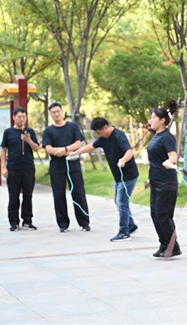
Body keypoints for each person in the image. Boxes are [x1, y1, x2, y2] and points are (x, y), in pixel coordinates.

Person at [68, 117, 139, 242]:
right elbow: (91, 146)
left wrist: (123, 160)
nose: (98, 135)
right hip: (118, 177)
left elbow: (129, 151)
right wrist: (76, 153)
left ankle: (124, 232)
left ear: (106, 127)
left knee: (121, 202)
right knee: (119, 202)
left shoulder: (119, 136)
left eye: (99, 132)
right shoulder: (103, 138)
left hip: (128, 175)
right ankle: (131, 225)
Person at [42, 103, 90, 232]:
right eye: (53, 112)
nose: (56, 114)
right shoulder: (48, 131)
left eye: (58, 111)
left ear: (62, 112)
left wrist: (64, 150)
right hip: (57, 168)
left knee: (79, 194)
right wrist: (65, 152)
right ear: (51, 114)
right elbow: (48, 149)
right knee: (58, 196)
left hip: (73, 166)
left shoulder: (72, 127)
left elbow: (77, 143)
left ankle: (84, 222)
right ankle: (63, 224)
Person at [147, 102, 181, 258]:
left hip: (166, 182)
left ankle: (173, 246)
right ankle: (164, 244)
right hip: (155, 181)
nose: (150, 120)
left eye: (153, 117)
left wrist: (170, 162)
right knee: (155, 214)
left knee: (163, 214)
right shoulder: (156, 136)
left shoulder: (167, 136)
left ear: (162, 120)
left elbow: (173, 155)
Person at [1, 107, 40, 231]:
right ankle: (14, 222)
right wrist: (3, 168)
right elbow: (3, 150)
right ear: (14, 117)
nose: (22, 119)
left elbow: (37, 148)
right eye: (19, 117)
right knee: (13, 196)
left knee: (28, 196)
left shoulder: (30, 132)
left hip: (28, 168)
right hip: (13, 169)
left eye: (24, 117)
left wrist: (28, 140)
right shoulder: (8, 132)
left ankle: (27, 221)